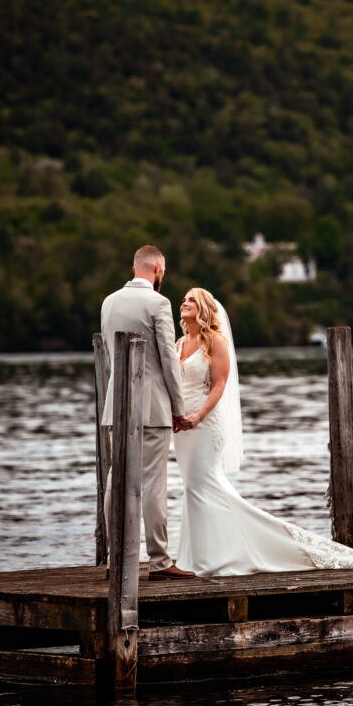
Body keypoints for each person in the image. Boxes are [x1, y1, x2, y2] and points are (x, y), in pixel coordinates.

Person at [173, 288, 353, 577]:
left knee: (203, 488)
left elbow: (219, 385)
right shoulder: (178, 344)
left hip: (204, 425)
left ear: (203, 308)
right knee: (193, 490)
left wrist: (198, 415)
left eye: (191, 299)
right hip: (182, 430)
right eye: (184, 299)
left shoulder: (216, 341)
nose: (184, 303)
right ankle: (197, 557)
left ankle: (216, 558)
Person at [101, 245, 195, 580]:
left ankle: (116, 561)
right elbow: (168, 359)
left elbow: (113, 359)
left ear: (134, 266)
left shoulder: (108, 302)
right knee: (153, 483)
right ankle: (160, 561)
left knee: (116, 482)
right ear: (157, 268)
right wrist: (179, 407)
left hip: (116, 405)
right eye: (163, 271)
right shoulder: (159, 303)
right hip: (153, 407)